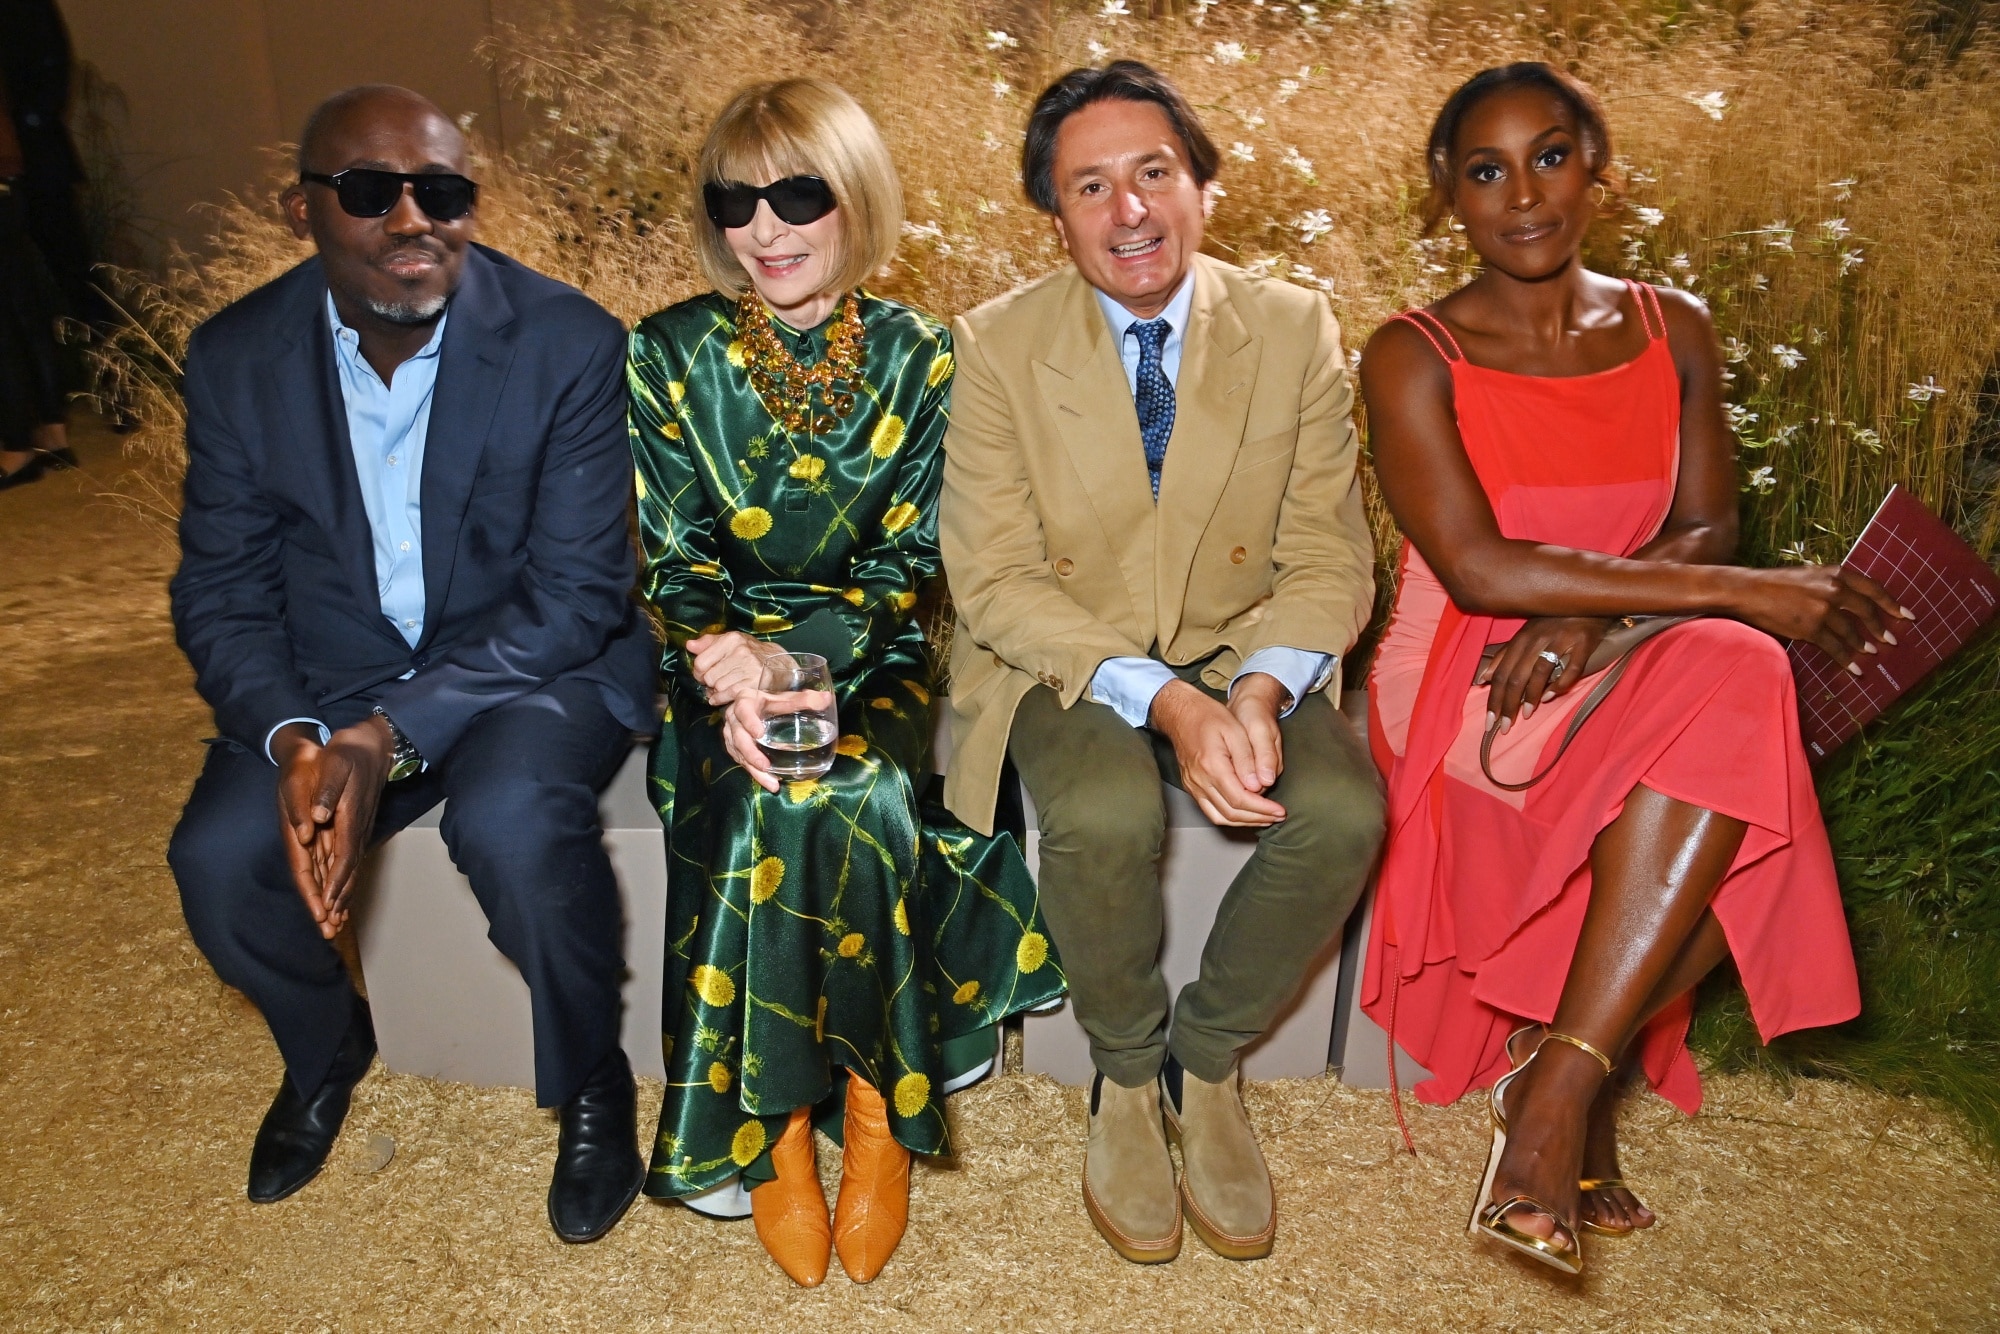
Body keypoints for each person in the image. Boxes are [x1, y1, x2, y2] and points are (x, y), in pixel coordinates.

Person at [1359, 63, 1902, 1276]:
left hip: (1622, 644)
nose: (1523, 196)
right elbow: (1481, 568)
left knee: (1729, 676)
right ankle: (1568, 1101)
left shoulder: (1673, 326)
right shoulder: (1411, 353)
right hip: (1464, 668)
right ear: (1446, 193)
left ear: (1595, 165)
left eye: (1548, 156)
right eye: (1484, 170)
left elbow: (1703, 523)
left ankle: (1554, 1087)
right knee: (1738, 664)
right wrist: (1722, 597)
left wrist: (1607, 621)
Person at [165, 85, 658, 1244]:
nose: (410, 219)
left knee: (516, 830)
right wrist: (295, 737)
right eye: (368, 191)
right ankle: (328, 1041)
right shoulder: (236, 358)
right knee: (218, 858)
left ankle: (591, 1076)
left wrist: (386, 735)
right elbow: (222, 592)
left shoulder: (567, 341)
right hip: (325, 680)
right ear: (303, 207)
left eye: (440, 192)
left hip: (529, 665)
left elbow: (579, 592)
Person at [939, 61, 1386, 1265]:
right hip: (1060, 653)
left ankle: (1204, 1058)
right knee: (1096, 803)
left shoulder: (1292, 326)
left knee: (1341, 807)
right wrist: (1167, 703)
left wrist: (1251, 686)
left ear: (1202, 187)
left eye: (1152, 173)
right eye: (1091, 187)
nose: (1128, 210)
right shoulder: (989, 349)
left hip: (1240, 639)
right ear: (1055, 216)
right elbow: (991, 578)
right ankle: (1125, 1071)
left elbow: (1326, 546)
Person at [627, 77, 1065, 1288]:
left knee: (859, 790)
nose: (761, 231)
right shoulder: (666, 352)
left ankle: (874, 1109)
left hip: (867, 654)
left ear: (852, 198)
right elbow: (674, 558)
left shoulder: (926, 355)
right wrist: (726, 664)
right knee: (767, 794)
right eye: (733, 201)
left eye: (796, 195)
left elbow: (908, 561)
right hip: (711, 666)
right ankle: (772, 1135)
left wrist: (796, 654)